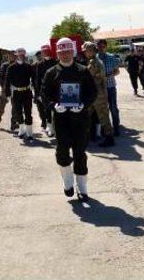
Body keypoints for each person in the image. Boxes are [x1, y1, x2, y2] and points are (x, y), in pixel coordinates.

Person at [42, 37, 97, 201]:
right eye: (61, 52)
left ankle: (82, 188)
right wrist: (53, 105)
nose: (65, 55)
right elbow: (44, 94)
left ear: (72, 52)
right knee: (62, 152)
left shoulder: (82, 70)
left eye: (67, 51)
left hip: (80, 119)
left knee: (80, 153)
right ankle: (68, 182)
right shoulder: (51, 72)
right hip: (61, 120)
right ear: (57, 53)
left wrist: (84, 105)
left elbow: (92, 92)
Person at [81, 42, 114, 146]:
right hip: (98, 92)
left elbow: (86, 77)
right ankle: (91, 136)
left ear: (90, 51)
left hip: (96, 93)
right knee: (92, 115)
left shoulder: (93, 63)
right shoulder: (96, 61)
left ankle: (109, 138)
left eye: (85, 51)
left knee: (102, 116)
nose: (84, 53)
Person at [5, 48, 35, 141]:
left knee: (28, 112)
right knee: (18, 112)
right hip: (16, 93)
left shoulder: (28, 66)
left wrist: (36, 91)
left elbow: (34, 79)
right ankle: (21, 131)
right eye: (19, 55)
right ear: (16, 55)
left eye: (22, 55)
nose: (21, 56)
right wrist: (8, 94)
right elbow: (7, 81)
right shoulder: (11, 67)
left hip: (27, 92)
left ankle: (29, 132)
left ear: (24, 55)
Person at [96, 39, 121, 136]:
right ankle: (105, 128)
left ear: (106, 47)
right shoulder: (95, 59)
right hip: (100, 89)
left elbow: (117, 71)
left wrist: (109, 76)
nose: (101, 48)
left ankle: (116, 127)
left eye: (103, 46)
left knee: (113, 108)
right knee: (102, 109)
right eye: (99, 47)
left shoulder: (111, 57)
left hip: (110, 87)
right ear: (97, 47)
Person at [34, 44, 58, 136]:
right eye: (43, 52)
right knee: (47, 110)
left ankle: (57, 128)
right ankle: (50, 128)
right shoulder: (40, 65)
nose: (45, 53)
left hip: (55, 90)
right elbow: (37, 80)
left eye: (47, 51)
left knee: (56, 110)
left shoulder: (56, 62)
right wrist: (37, 94)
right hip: (44, 91)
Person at [0, 51, 16, 129]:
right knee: (2, 105)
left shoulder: (17, 65)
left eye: (13, 55)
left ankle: (13, 123)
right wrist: (3, 86)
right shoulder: (4, 65)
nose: (11, 57)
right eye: (10, 55)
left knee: (15, 106)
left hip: (14, 89)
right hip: (6, 88)